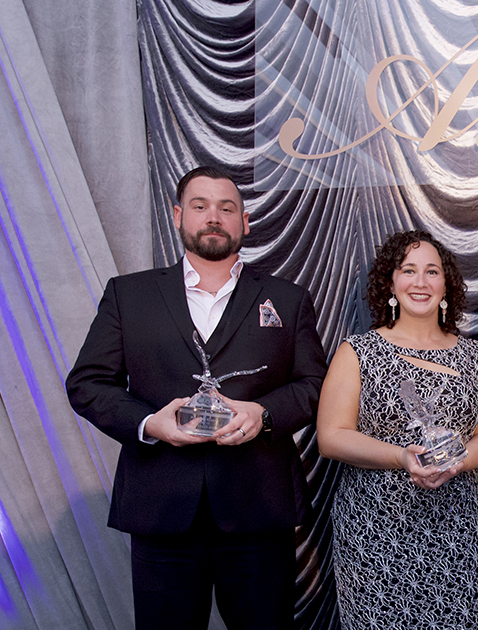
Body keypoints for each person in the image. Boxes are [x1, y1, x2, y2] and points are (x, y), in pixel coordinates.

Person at [65, 166, 327, 629]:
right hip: (161, 510)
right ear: (177, 216)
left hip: (259, 513)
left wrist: (264, 414)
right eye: (200, 206)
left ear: (244, 222)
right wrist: (150, 424)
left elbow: (314, 385)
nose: (213, 217)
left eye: (227, 208)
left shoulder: (287, 299)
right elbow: (87, 383)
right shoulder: (130, 295)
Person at [316, 230, 478, 630]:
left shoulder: (474, 356)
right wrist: (402, 457)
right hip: (374, 529)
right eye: (408, 271)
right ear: (391, 284)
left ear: (446, 284)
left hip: (458, 529)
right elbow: (331, 436)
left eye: (432, 271)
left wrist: (457, 461)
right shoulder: (357, 352)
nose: (420, 282)